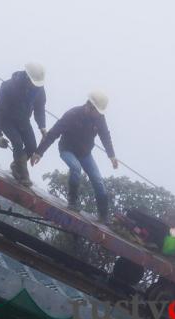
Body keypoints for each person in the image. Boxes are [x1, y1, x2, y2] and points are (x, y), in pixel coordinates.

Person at [31, 91, 119, 223]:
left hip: (85, 154)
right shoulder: (72, 114)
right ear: (90, 106)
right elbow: (54, 133)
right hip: (67, 150)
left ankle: (103, 215)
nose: (100, 114)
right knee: (75, 167)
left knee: (98, 180)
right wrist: (39, 152)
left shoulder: (99, 118)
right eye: (98, 111)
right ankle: (72, 201)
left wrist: (111, 155)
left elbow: (105, 136)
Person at [0, 62, 47, 187]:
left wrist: (42, 127)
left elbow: (39, 109)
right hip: (7, 120)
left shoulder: (39, 90)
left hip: (23, 121)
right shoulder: (9, 87)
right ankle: (23, 174)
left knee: (32, 146)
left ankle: (16, 165)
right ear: (27, 77)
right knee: (17, 143)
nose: (35, 86)